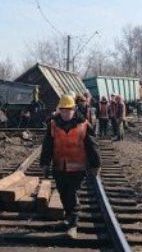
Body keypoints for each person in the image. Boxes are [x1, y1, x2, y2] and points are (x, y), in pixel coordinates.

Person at [40, 95, 101, 238]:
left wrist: (96, 164)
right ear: (59, 110)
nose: (65, 113)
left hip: (78, 168)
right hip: (59, 166)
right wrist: (44, 163)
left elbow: (92, 146)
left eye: (68, 110)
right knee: (63, 194)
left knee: (72, 194)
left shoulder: (84, 124)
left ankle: (73, 224)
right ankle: (68, 217)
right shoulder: (53, 124)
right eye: (63, 110)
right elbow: (47, 146)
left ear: (74, 109)